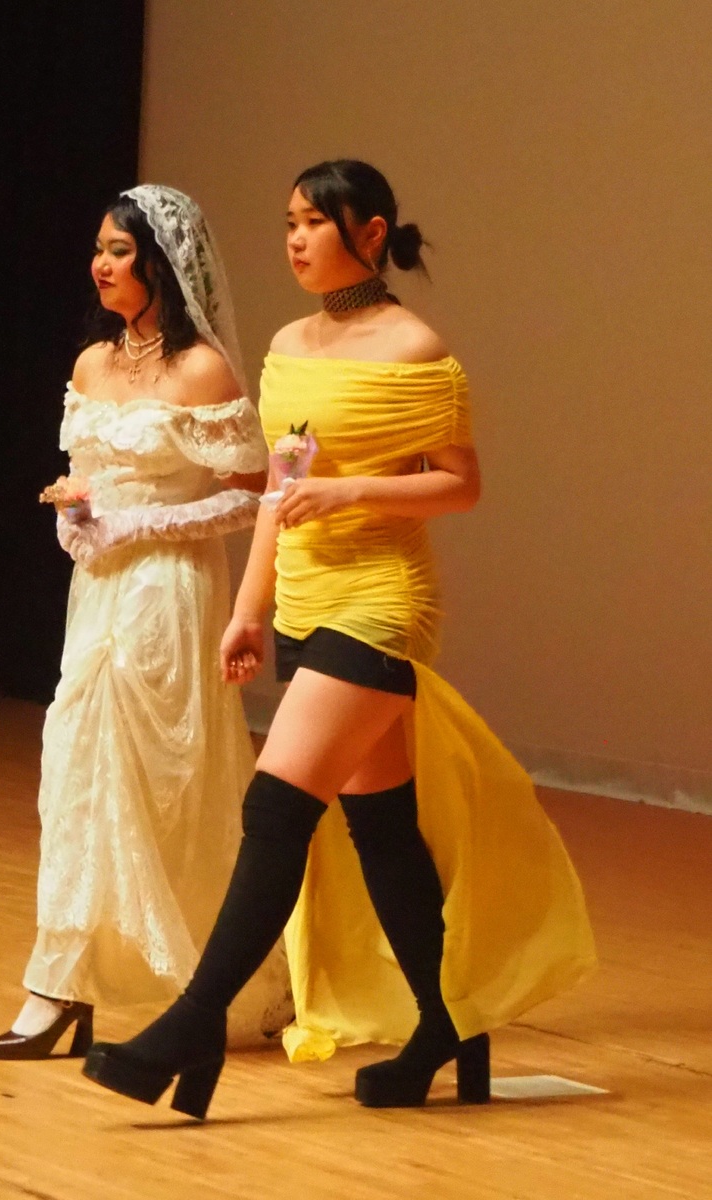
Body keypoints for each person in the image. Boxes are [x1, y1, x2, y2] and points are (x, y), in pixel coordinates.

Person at [81, 160, 596, 1117]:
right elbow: (281, 487)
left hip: (382, 600)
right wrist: (249, 606)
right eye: (289, 222)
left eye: (315, 223)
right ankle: (450, 1028)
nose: (295, 239)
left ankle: (193, 1025)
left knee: (276, 809)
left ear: (371, 233)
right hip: (305, 601)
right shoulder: (288, 344)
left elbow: (461, 483)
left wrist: (352, 489)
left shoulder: (414, 347)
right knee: (381, 828)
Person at [0, 185, 293, 1061]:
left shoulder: (203, 372)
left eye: (119, 250)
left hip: (170, 590)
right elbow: (83, 479)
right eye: (99, 249)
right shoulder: (91, 364)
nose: (102, 264)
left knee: (162, 781)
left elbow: (250, 497)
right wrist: (75, 521)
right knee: (77, 771)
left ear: (160, 261)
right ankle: (58, 983)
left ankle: (200, 983)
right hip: (99, 590)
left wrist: (141, 525)